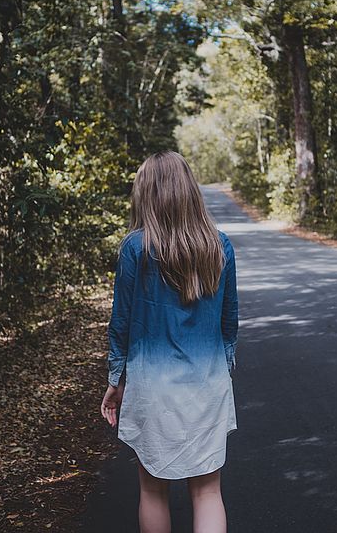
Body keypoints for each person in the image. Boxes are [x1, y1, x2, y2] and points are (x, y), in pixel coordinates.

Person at [100, 151, 239, 533]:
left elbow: (121, 324)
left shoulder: (136, 248)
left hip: (152, 386)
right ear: (190, 191)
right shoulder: (219, 246)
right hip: (207, 383)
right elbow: (230, 324)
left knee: (153, 490)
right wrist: (222, 371)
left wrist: (116, 381)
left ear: (145, 194)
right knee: (208, 492)